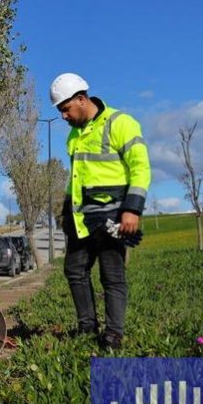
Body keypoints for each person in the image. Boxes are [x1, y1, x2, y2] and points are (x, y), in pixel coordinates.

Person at [49, 73, 151, 350]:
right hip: (81, 220)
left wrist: (132, 210)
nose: (64, 116)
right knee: (74, 271)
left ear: (81, 100)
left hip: (113, 217)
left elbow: (140, 168)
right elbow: (77, 178)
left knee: (112, 275)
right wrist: (66, 213)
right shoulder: (74, 135)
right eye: (60, 112)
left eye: (66, 109)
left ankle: (113, 335)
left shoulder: (121, 123)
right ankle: (87, 327)